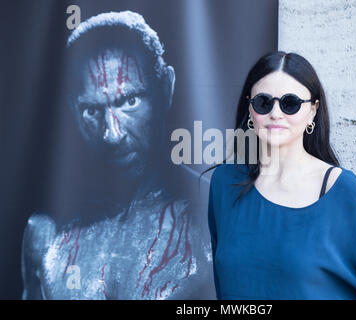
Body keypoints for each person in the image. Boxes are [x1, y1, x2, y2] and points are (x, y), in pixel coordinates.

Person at [21, 11, 214, 300]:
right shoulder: (44, 234)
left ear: (165, 88)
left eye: (129, 101)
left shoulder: (216, 216)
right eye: (91, 110)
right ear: (72, 110)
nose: (111, 134)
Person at [206, 51, 356, 299]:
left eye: (290, 103)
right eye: (264, 102)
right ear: (250, 108)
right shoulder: (225, 184)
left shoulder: (345, 192)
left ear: (313, 111)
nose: (276, 114)